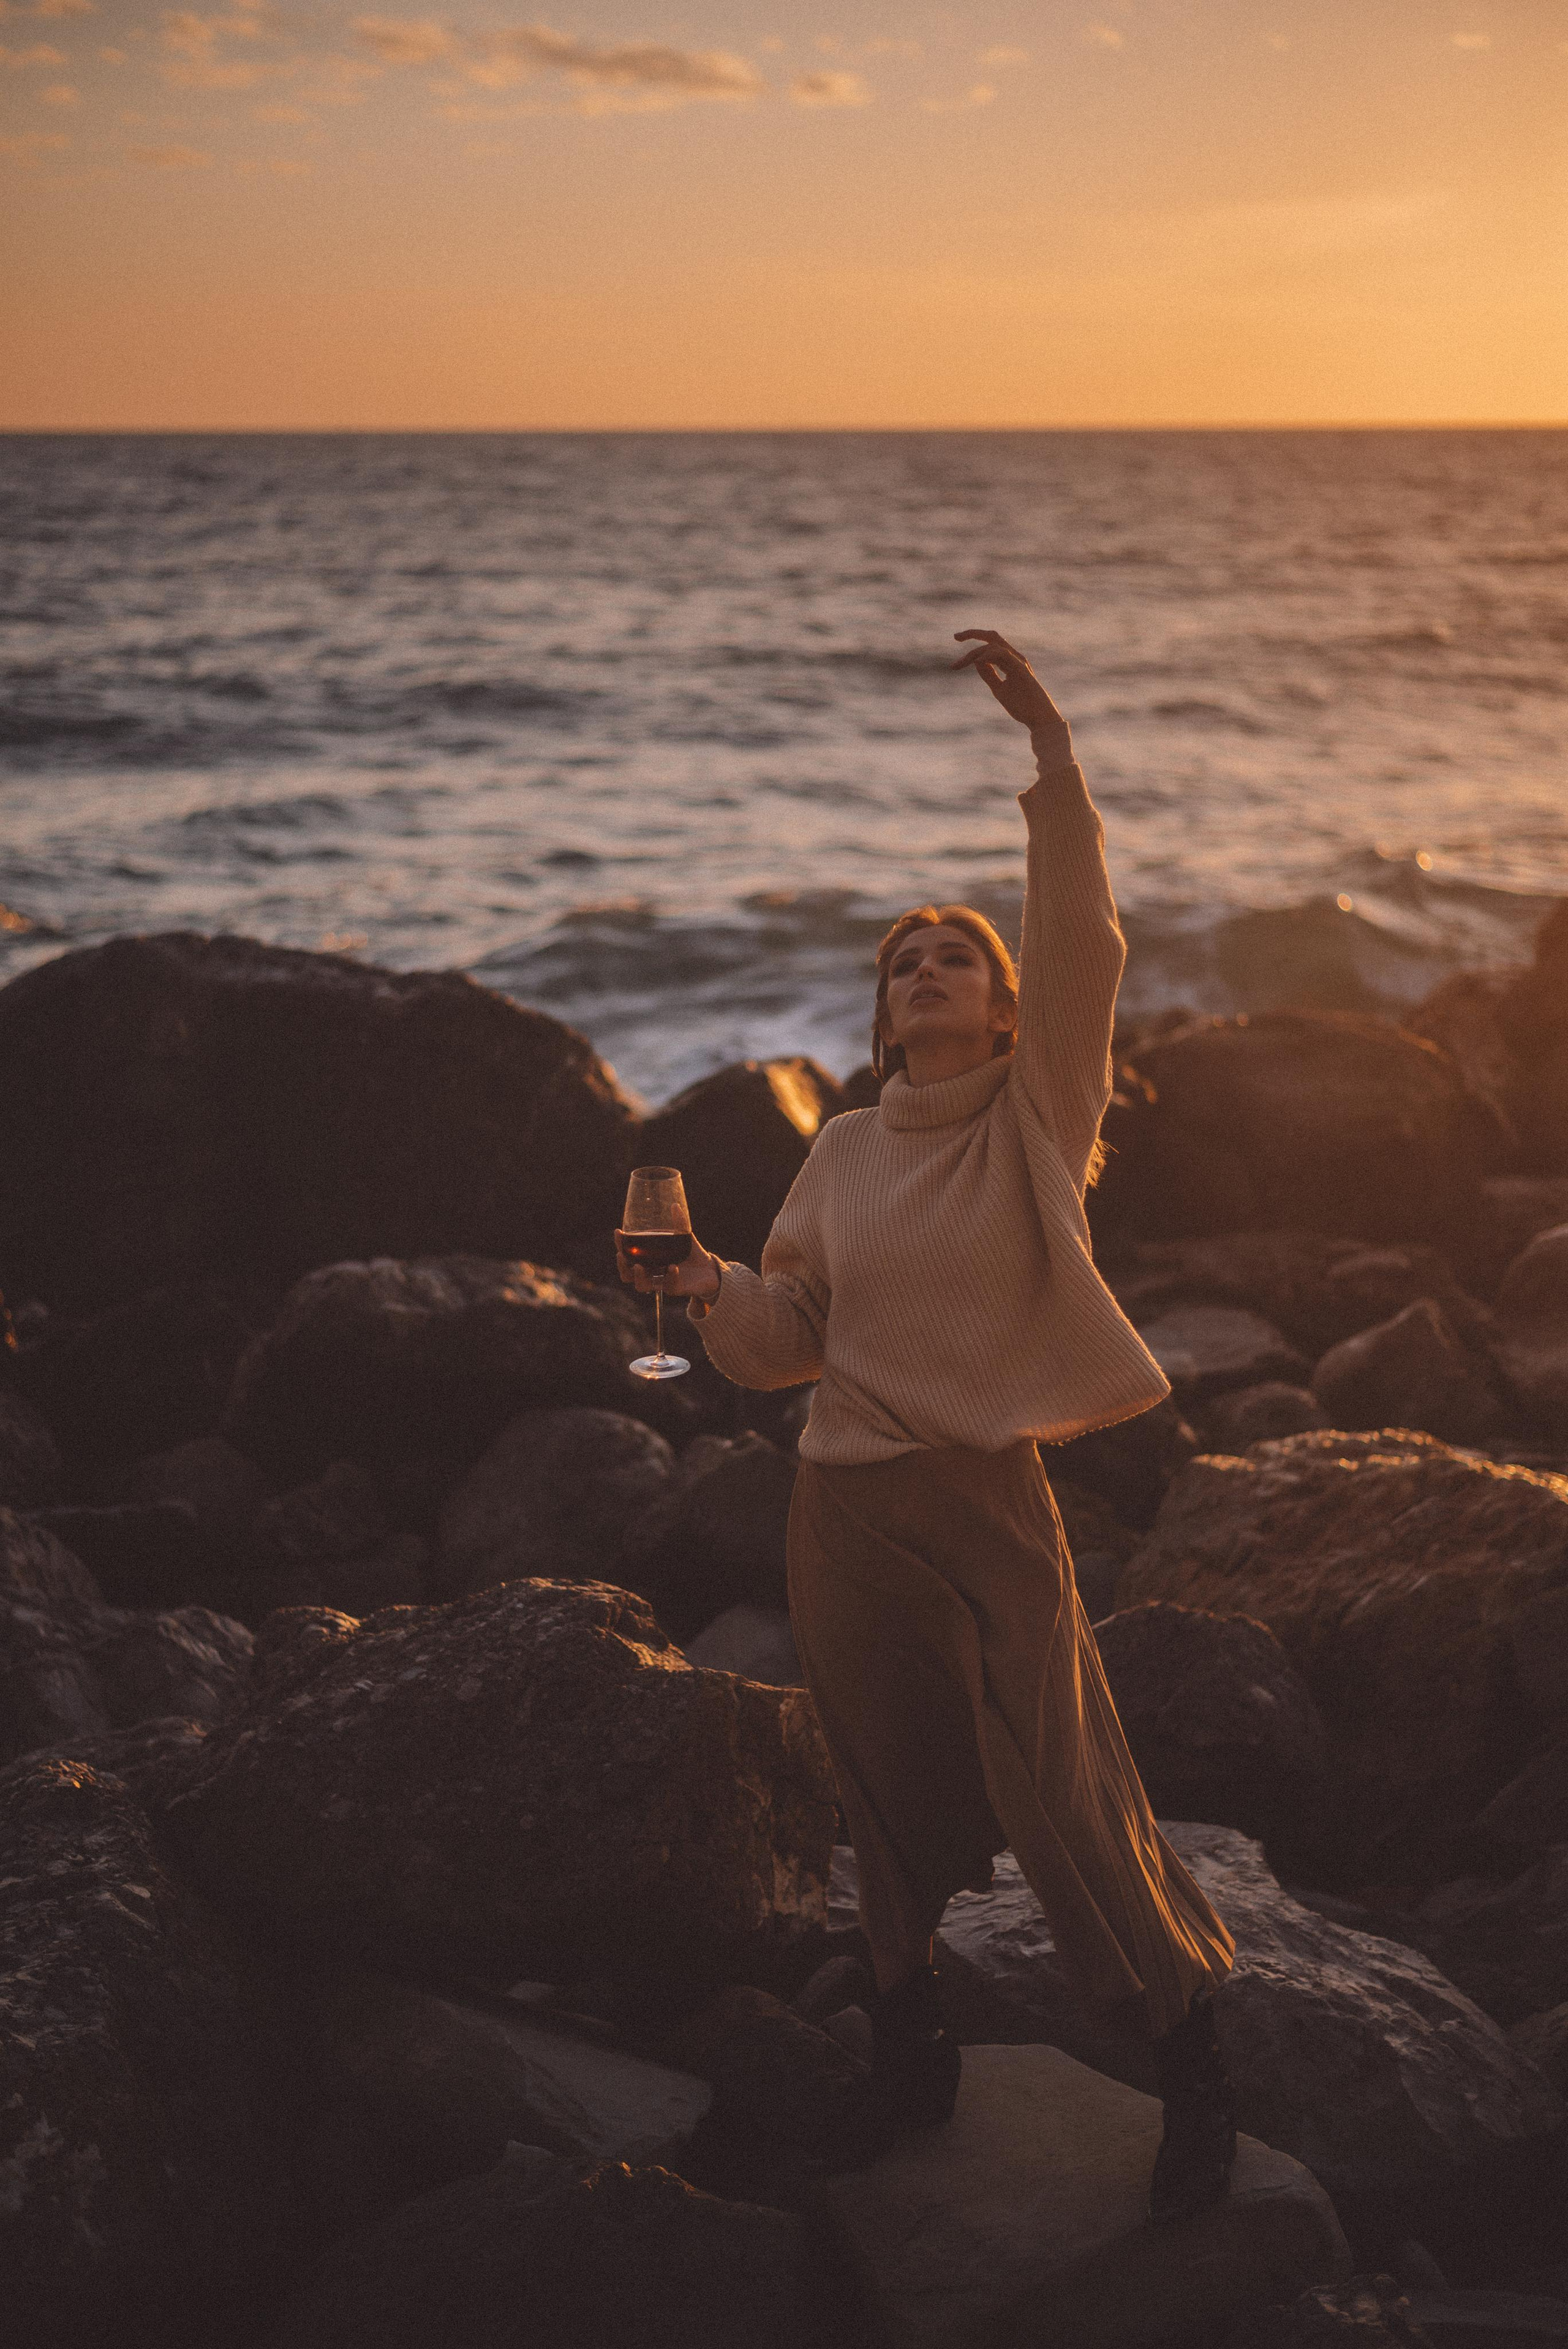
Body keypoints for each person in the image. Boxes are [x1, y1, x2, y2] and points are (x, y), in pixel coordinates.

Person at [617, 629, 1238, 2225]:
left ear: (1009, 1011)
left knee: (1063, 1786)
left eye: (958, 955)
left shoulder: (1038, 1119)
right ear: (885, 1021)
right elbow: (788, 1345)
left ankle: (1193, 2053)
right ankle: (913, 2056)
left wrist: (1053, 757)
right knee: (881, 1799)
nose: (930, 970)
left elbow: (1086, 942)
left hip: (987, 1504)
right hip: (841, 1510)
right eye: (906, 965)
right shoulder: (843, 1153)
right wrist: (705, 1285)